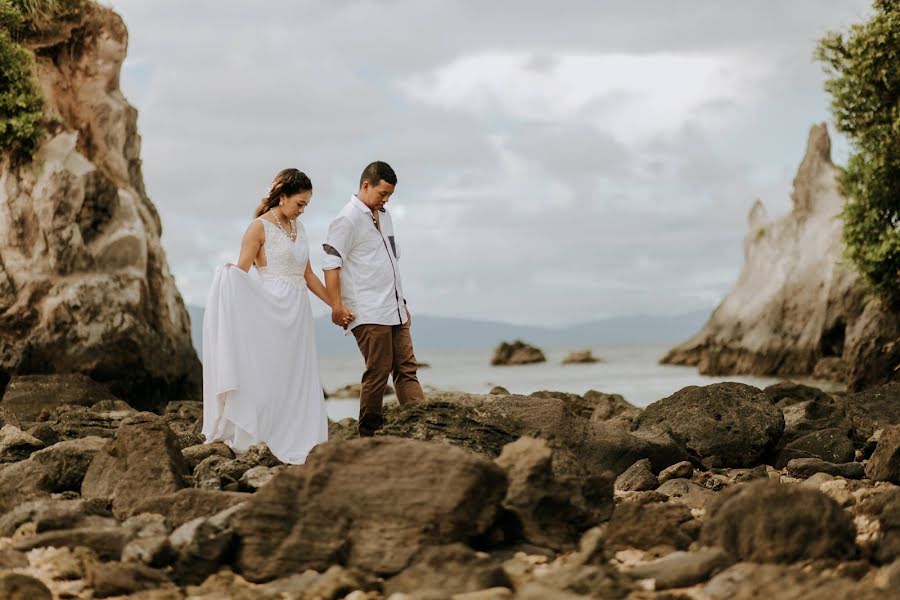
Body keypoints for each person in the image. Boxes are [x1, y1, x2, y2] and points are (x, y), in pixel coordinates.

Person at [202, 169, 353, 464]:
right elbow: (241, 274)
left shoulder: (301, 229)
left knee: (296, 376)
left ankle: (300, 434)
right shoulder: (258, 228)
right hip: (270, 310)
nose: (302, 210)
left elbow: (308, 275)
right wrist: (226, 276)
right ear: (282, 197)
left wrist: (335, 305)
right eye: (300, 203)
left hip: (298, 314)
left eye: (306, 205)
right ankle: (265, 434)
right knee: (270, 374)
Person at [322, 161, 425, 436]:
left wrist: (402, 303)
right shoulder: (346, 220)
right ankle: (368, 436)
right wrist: (336, 306)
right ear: (366, 186)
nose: (386, 199)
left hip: (395, 309)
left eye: (390, 195)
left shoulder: (385, 216)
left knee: (407, 369)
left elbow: (391, 262)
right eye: (382, 194)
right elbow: (331, 265)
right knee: (378, 372)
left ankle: (422, 425)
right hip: (367, 310)